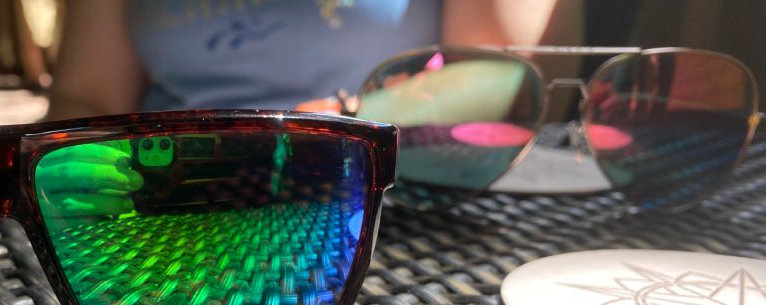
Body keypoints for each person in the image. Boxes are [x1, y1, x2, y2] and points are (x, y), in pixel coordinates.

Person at [47, 0, 582, 118]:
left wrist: (335, 127)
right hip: (169, 199)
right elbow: (87, 95)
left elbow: (507, 73)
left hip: (391, 202)